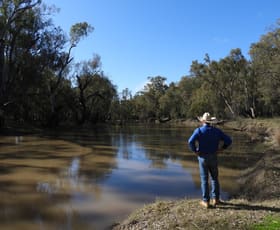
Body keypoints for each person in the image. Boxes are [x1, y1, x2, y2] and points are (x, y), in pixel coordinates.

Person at [188, 112, 232, 208]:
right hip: (213, 156)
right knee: (214, 178)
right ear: (211, 121)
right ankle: (216, 199)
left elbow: (190, 141)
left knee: (204, 179)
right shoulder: (217, 131)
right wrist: (222, 149)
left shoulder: (198, 131)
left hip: (202, 157)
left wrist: (195, 151)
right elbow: (229, 140)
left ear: (203, 121)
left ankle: (206, 201)